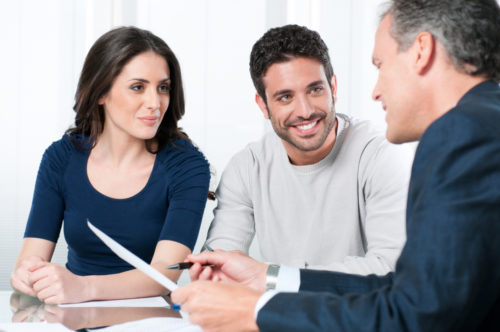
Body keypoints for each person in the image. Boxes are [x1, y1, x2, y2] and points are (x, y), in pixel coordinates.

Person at [171, 0, 500, 330]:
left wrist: (258, 311)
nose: (375, 90)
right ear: (264, 103)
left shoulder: (462, 134)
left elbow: (414, 314)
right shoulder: (482, 124)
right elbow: (415, 294)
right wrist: (267, 277)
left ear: (421, 50)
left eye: (380, 65)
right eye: (285, 96)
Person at [10, 26, 211, 304]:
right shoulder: (61, 157)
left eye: (163, 87)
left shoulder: (187, 165)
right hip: (73, 313)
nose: (155, 103)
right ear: (101, 93)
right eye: (138, 87)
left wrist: (83, 288)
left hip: (150, 320)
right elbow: (31, 256)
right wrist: (26, 274)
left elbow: (164, 274)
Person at [205, 24, 413, 275]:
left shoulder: (380, 156)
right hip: (280, 311)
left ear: (333, 88)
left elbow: (390, 266)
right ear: (263, 105)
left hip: (358, 312)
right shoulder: (247, 167)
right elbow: (219, 265)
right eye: (285, 97)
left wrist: (270, 278)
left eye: (315, 90)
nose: (304, 111)